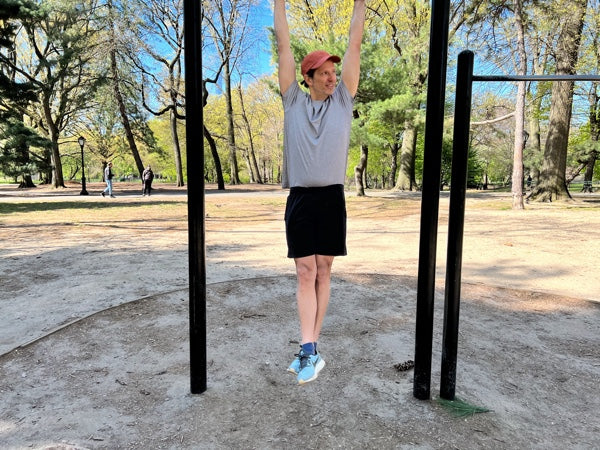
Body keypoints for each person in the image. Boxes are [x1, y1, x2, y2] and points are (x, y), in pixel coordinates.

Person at [274, 0, 366, 385]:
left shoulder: (344, 100)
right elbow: (283, 44)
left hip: (331, 198)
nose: (332, 78)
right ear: (308, 77)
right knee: (304, 270)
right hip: (300, 198)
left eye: (333, 72)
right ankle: (308, 349)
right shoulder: (292, 100)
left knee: (323, 270)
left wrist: (360, 4)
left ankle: (310, 347)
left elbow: (355, 43)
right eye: (324, 73)